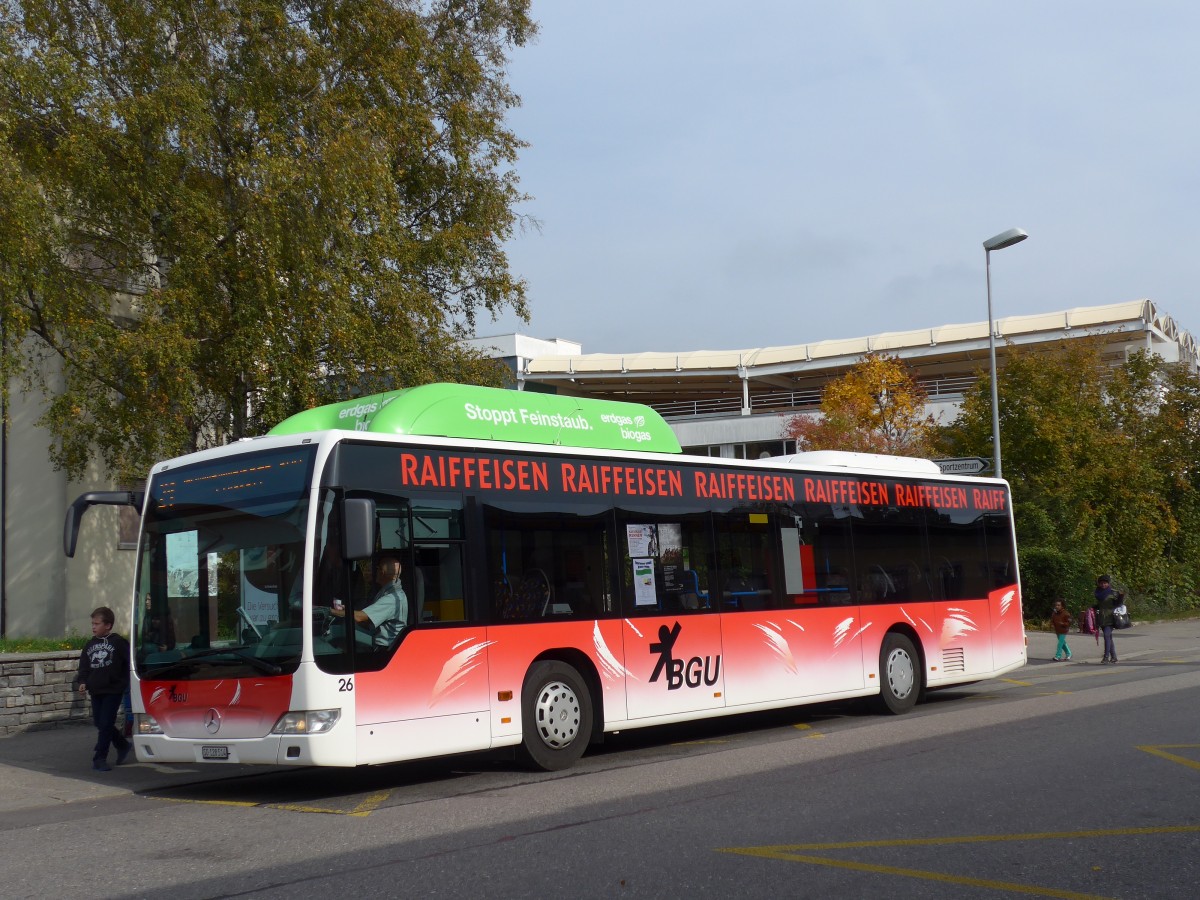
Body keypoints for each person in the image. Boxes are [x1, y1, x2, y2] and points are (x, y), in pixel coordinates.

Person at [75, 606, 133, 771]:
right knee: (100, 723)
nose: (93, 627)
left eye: (97, 623)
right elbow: (84, 667)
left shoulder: (118, 643)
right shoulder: (90, 645)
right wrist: (82, 681)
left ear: (107, 625)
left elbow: (129, 663)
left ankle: (99, 758)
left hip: (113, 690)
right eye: (92, 623)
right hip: (96, 690)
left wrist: (123, 682)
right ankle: (122, 745)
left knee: (106, 723)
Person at [330, 552, 407, 648]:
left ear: (382, 572)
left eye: (377, 568)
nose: (375, 572)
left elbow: (360, 617)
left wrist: (331, 611)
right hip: (376, 641)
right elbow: (369, 621)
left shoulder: (393, 598)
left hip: (384, 649)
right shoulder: (385, 592)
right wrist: (345, 610)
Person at [1092, 574, 1121, 664]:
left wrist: (1121, 597)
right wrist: (1093, 607)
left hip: (1111, 618)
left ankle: (1106, 657)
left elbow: (1118, 604)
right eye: (1101, 583)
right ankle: (1114, 657)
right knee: (1109, 637)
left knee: (1106, 635)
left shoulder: (1113, 593)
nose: (1103, 585)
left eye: (1105, 583)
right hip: (1102, 617)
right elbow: (1100, 605)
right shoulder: (1098, 593)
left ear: (1108, 583)